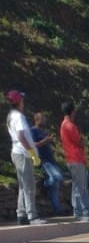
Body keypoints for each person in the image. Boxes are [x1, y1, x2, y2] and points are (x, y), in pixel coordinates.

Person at [6, 90, 46, 225]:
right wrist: (32, 152)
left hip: (18, 152)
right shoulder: (19, 117)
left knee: (23, 185)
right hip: (22, 153)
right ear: (19, 102)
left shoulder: (11, 116)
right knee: (29, 186)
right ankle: (32, 216)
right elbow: (21, 136)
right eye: (22, 99)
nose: (23, 102)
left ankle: (21, 214)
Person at [59, 102, 89, 221]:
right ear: (72, 112)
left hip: (70, 158)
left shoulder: (63, 125)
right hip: (77, 158)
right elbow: (80, 141)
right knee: (81, 186)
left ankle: (78, 210)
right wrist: (83, 141)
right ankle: (83, 211)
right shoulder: (70, 126)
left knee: (77, 186)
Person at [30, 111, 65, 216]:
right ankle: (45, 184)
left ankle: (57, 209)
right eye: (43, 118)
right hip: (43, 160)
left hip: (51, 159)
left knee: (55, 186)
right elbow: (33, 145)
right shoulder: (33, 131)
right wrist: (45, 141)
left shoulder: (43, 131)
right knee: (58, 177)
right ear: (38, 119)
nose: (45, 120)